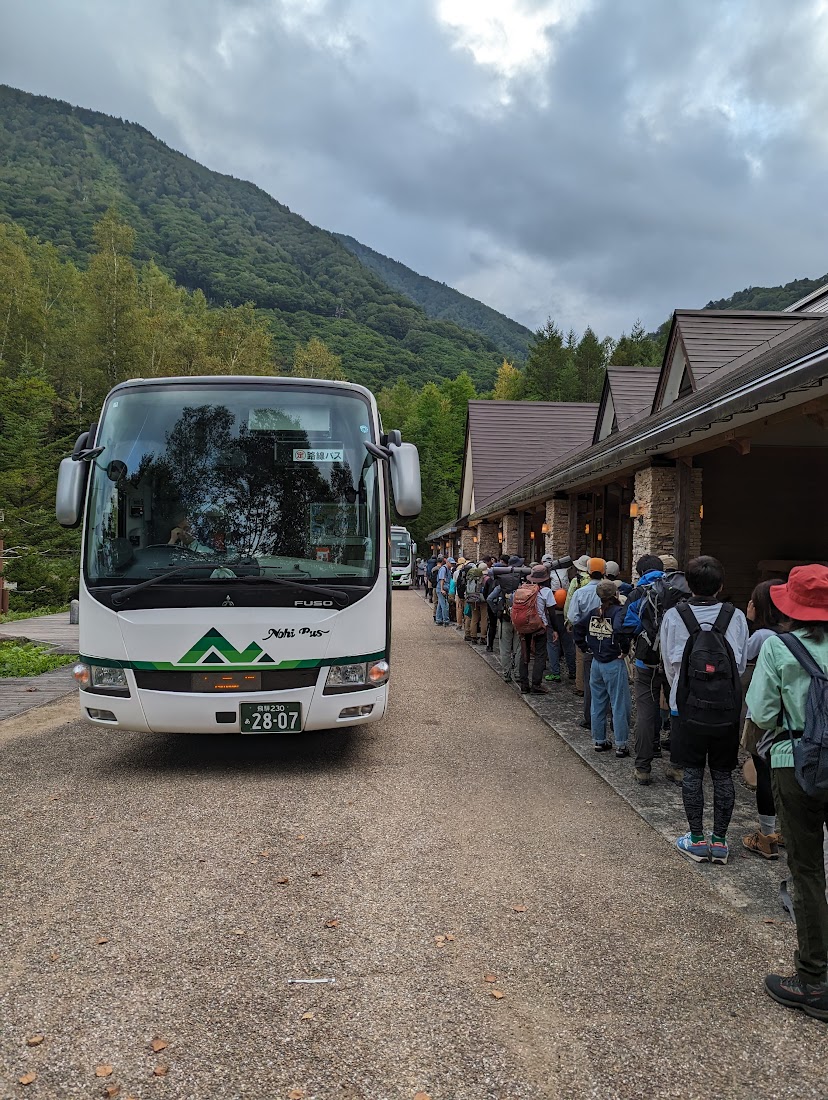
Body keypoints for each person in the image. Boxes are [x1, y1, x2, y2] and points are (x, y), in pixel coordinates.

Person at [746, 564, 828, 1020]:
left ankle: (814, 980)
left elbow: (760, 710)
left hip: (795, 763)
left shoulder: (780, 646)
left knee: (807, 868)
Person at [661, 555, 749, 865]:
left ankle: (696, 839)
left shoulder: (675, 615)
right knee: (723, 775)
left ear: (688, 584)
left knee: (693, 773)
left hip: (686, 707)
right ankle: (721, 842)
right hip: (725, 708)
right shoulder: (734, 616)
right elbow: (738, 664)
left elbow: (671, 668)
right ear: (720, 586)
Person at [741, 579, 788, 859]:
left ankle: (767, 835)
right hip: (793, 716)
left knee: (765, 773)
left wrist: (748, 623)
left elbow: (742, 655)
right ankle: (785, 830)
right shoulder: (797, 636)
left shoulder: (762, 637)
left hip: (765, 714)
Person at [619, 554, 667, 785]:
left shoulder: (637, 594)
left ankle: (643, 767)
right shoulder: (677, 592)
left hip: (646, 661)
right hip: (676, 663)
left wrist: (641, 631)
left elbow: (625, 625)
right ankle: (678, 765)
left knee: (646, 712)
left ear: (639, 573)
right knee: (677, 710)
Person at [574, 580, 631, 755]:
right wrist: (625, 648)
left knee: (597, 702)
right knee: (619, 703)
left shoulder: (593, 613)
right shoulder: (618, 612)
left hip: (596, 662)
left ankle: (599, 740)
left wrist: (584, 647)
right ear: (616, 594)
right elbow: (620, 630)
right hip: (613, 661)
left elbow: (577, 628)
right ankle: (621, 744)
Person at [567, 558, 606, 728]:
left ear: (588, 573)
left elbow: (573, 616)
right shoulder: (610, 591)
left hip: (588, 639)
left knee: (590, 679)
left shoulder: (581, 592)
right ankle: (609, 715)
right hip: (608, 639)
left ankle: (590, 717)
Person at [515, 564, 554, 695]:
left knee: (524, 654)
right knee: (540, 655)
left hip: (524, 625)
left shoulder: (523, 589)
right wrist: (555, 630)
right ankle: (536, 684)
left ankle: (524, 684)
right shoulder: (546, 592)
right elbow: (552, 613)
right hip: (539, 626)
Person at [492, 555, 528, 682]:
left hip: (505, 618)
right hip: (520, 620)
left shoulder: (503, 582)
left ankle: (506, 673)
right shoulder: (524, 583)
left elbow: (490, 598)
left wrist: (497, 611)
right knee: (518, 648)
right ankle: (518, 673)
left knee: (505, 648)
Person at [565, 555, 593, 697]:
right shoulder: (599, 582)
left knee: (581, 655)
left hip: (580, 622)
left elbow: (569, 600)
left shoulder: (577, 580)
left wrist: (568, 620)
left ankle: (580, 686)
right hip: (596, 621)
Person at [435, 555, 452, 626]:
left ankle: (438, 620)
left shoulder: (447, 569)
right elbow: (441, 579)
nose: (452, 565)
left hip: (442, 588)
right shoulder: (443, 569)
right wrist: (442, 589)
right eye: (451, 563)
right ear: (447, 562)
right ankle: (446, 620)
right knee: (445, 605)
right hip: (441, 589)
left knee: (440, 605)